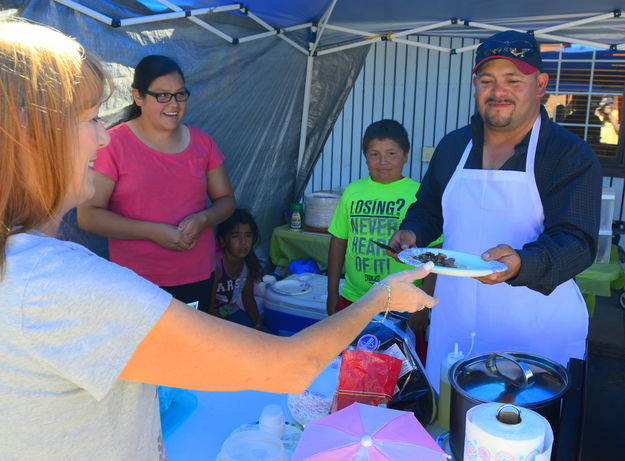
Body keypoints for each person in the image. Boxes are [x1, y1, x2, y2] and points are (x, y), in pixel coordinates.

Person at [0, 21, 438, 460]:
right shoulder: (61, 285)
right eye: (90, 119)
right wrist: (382, 297)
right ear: (31, 137)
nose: (102, 135)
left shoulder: (26, 266)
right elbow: (290, 365)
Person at [389, 30, 602, 390]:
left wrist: (521, 262)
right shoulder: (454, 145)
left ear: (540, 85)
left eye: (512, 80)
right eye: (487, 80)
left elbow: (577, 242)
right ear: (475, 86)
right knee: (450, 420)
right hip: (455, 316)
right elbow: (428, 207)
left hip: (535, 326)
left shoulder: (568, 155)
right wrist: (413, 231)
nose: (498, 91)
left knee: (524, 432)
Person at [77, 54, 235, 313]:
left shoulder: (202, 143)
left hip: (195, 275)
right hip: (136, 280)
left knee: (190, 350)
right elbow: (88, 216)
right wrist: (153, 232)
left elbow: (227, 201)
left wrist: (204, 218)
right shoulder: (112, 144)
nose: (173, 104)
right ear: (138, 97)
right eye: (162, 95)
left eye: (180, 95)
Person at [326, 120, 440, 356]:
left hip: (404, 302)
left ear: (406, 156)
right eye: (374, 154)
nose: (383, 162)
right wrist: (332, 293)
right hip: (355, 299)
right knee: (351, 366)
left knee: (402, 374)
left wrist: (425, 304)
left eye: (391, 154)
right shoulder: (353, 191)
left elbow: (436, 251)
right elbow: (338, 241)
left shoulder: (419, 195)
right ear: (365, 157)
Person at [209, 209, 263, 329]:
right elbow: (209, 306)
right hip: (210, 317)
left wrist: (257, 323)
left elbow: (248, 298)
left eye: (248, 236)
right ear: (223, 240)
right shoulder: (216, 265)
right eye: (235, 236)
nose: (243, 242)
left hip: (230, 312)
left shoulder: (247, 265)